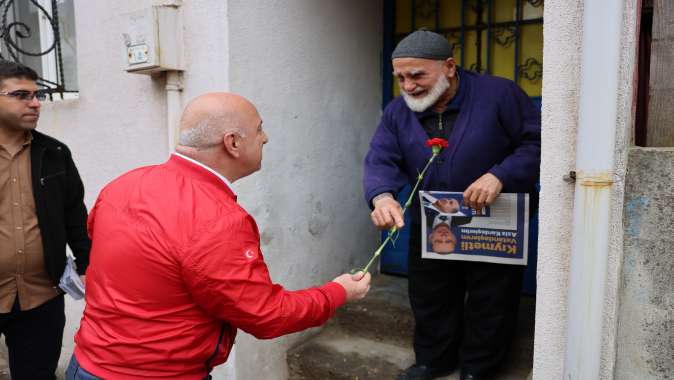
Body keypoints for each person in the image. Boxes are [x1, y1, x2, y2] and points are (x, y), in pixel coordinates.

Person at [66, 93, 371, 380]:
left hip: (86, 363)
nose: (265, 137)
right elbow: (266, 315)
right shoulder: (218, 220)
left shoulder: (123, 185)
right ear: (233, 143)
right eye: (259, 129)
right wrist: (338, 292)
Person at [363, 30, 540, 380]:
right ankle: (434, 360)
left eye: (417, 75)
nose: (408, 86)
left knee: (492, 298)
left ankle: (479, 367)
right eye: (401, 78)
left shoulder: (501, 94)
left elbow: (535, 143)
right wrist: (382, 196)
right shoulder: (398, 111)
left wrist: (500, 175)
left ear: (449, 67)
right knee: (431, 295)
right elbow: (382, 158)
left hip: (494, 219)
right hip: (433, 218)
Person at [0, 60, 90, 379]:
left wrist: (87, 264)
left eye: (38, 95)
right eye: (22, 95)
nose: (35, 103)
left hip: (41, 298)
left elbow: (75, 216)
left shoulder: (55, 153)